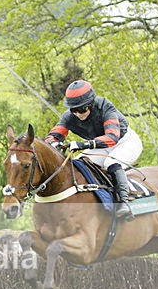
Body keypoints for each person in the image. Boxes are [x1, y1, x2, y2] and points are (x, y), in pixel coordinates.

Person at [44, 79, 142, 221]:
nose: (78, 114)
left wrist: (83, 145)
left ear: (91, 104)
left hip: (125, 142)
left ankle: (124, 203)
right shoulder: (69, 117)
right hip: (101, 146)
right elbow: (52, 136)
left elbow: (112, 137)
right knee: (77, 164)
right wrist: (54, 144)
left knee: (110, 163)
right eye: (74, 110)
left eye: (82, 109)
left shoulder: (105, 107)